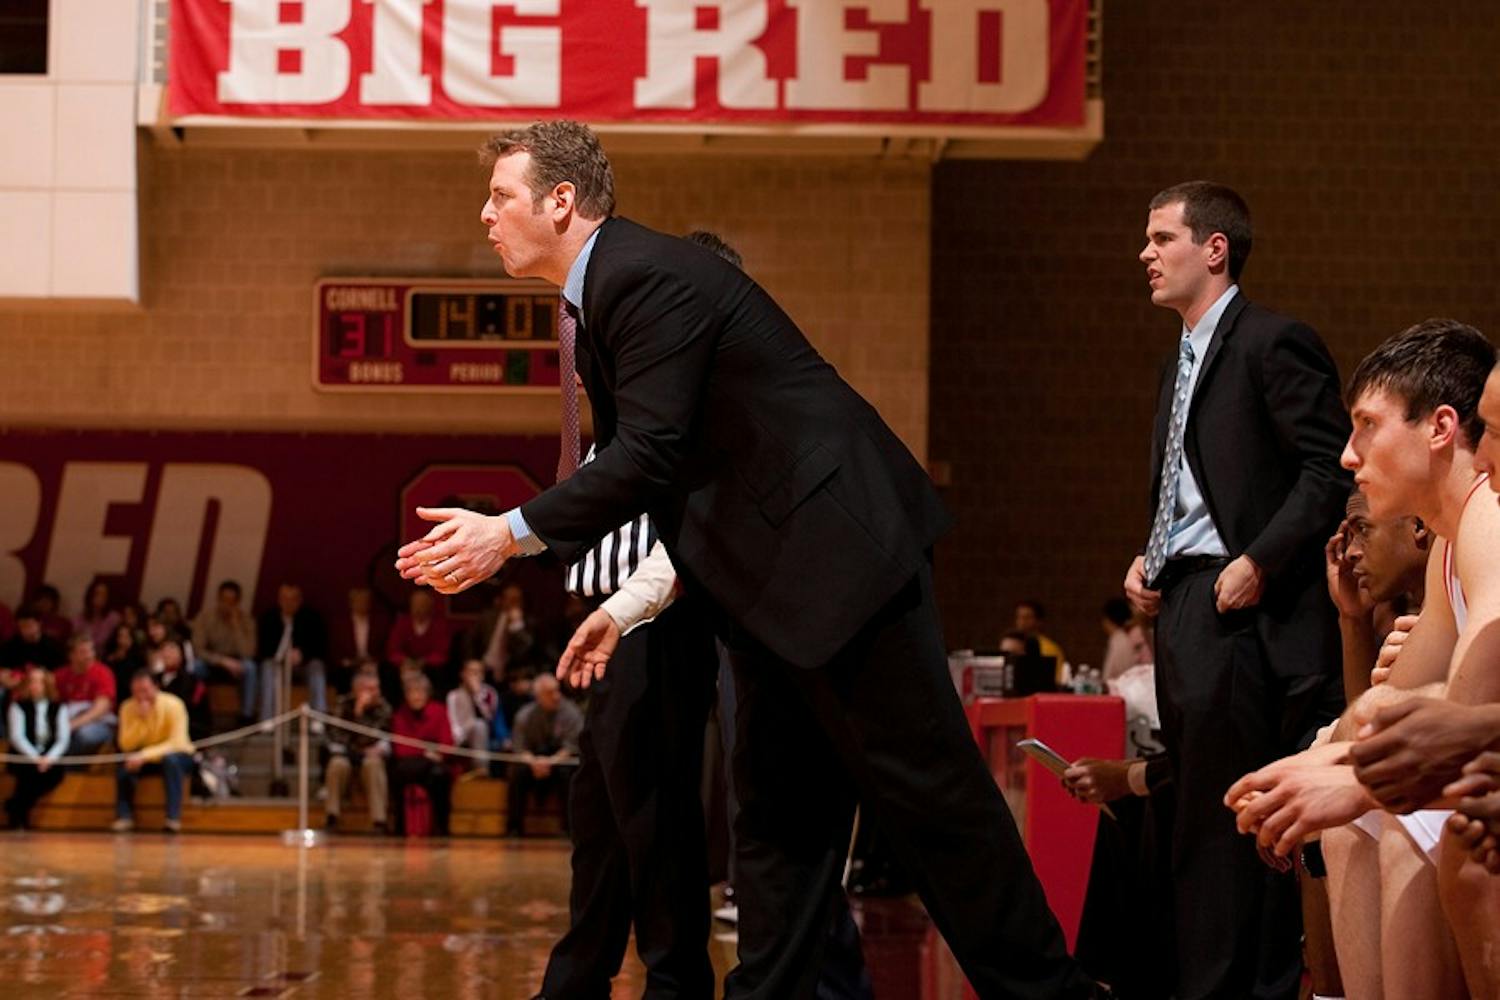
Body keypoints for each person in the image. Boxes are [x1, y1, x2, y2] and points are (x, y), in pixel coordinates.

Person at [396, 120, 1099, 998]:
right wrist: (618, 601)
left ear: (561, 201)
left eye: (501, 196)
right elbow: (666, 475)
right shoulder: (601, 293)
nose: (486, 214)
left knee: (937, 807)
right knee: (774, 826)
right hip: (768, 593)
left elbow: (647, 454)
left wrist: (508, 533)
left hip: (844, 568)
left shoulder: (642, 277)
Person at [1121, 181, 1350, 999]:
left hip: (1247, 611)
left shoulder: (1271, 341)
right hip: (1185, 602)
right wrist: (1149, 557)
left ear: (1213, 248)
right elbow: (1186, 489)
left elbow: (1329, 466)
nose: (1145, 254)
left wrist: (1260, 559)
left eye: (1161, 238)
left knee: (1227, 825)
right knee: (1192, 817)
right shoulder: (1177, 358)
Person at [1227, 321, 1499, 998]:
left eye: (1366, 425)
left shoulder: (1485, 521)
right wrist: (1305, 768)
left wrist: (1350, 780)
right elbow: (1391, 713)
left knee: (1425, 823)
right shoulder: (1451, 541)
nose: (1348, 456)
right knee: (1347, 782)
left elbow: (1458, 731)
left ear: (1438, 428)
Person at [112, 668, 196, 833]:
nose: (141, 696)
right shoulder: (127, 707)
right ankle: (124, 816)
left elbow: (177, 742)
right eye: (136, 692)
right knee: (124, 768)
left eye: (145, 691)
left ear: (156, 687)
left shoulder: (174, 704)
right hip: (144, 756)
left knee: (171, 760)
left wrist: (145, 755)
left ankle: (173, 818)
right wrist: (140, 720)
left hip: (178, 755)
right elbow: (125, 744)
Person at [507, 673, 582, 838]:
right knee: (517, 773)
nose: (556, 696)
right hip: (533, 762)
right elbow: (520, 748)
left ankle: (569, 828)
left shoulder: (572, 713)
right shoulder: (524, 715)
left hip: (560, 761)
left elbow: (571, 747)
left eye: (557, 691)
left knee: (569, 775)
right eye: (550, 693)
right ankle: (514, 827)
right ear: (538, 696)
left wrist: (550, 762)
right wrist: (535, 762)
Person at [324, 669, 392, 834]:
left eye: (377, 688)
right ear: (358, 690)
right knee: (336, 765)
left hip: (371, 756)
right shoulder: (342, 704)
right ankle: (332, 817)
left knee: (373, 765)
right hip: (347, 755)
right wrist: (357, 712)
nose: (376, 693)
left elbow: (374, 736)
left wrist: (360, 716)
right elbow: (337, 736)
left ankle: (379, 821)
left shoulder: (383, 707)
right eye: (371, 689)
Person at [388, 672, 453, 837]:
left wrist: (433, 754)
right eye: (412, 692)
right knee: (398, 773)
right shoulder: (399, 715)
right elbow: (400, 749)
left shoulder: (439, 711)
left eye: (420, 692)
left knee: (440, 775)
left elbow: (447, 742)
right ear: (406, 695)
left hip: (432, 766)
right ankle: (400, 826)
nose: (416, 696)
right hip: (409, 765)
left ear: (427, 693)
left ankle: (441, 826)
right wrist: (426, 752)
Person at [5, 666, 70, 829]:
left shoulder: (59, 707)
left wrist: (49, 758)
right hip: (25, 756)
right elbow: (17, 737)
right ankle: (19, 815)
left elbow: (63, 738)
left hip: (50, 757)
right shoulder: (18, 706)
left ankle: (15, 807)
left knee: (50, 775)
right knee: (27, 774)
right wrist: (35, 758)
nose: (35, 685)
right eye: (32, 681)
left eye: (39, 682)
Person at [191, 580, 261, 725]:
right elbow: (198, 649)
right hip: (213, 662)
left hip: (237, 664)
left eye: (231, 601)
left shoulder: (246, 620)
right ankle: (197, 712)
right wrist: (222, 661)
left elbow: (248, 653)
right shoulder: (205, 617)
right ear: (218, 598)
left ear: (238, 602)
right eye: (224, 600)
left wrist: (236, 626)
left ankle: (246, 716)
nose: (226, 605)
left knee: (250, 667)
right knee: (196, 666)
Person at [257, 583, 329, 718]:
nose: (288, 603)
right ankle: (267, 719)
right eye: (285, 599)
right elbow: (262, 648)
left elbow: (320, 647)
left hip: (303, 665)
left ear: (300, 600)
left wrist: (302, 654)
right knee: (267, 667)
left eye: (293, 599)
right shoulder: (269, 618)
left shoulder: (312, 618)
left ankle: (318, 718)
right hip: (277, 664)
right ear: (279, 600)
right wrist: (282, 655)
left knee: (317, 667)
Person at [467, 582, 544, 680]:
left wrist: (516, 626)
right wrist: (473, 661)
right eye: (509, 598)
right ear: (501, 600)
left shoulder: (529, 622)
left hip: (514, 675)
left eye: (516, 599)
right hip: (485, 668)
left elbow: (524, 651)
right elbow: (471, 641)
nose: (512, 602)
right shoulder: (488, 617)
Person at [55, 634, 117, 755]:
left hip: (99, 723)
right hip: (68, 720)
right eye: (83, 652)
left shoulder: (103, 673)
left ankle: (70, 767)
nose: (89, 655)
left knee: (85, 735)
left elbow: (100, 709)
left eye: (91, 650)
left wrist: (71, 725)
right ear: (71, 655)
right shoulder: (60, 675)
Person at [329, 586, 389, 697]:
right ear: (351, 603)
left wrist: (373, 661)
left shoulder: (379, 622)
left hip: (372, 662)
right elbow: (334, 649)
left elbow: (385, 646)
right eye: (359, 601)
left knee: (387, 672)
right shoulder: (340, 624)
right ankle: (345, 706)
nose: (363, 604)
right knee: (341, 674)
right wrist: (349, 662)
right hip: (349, 664)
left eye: (365, 601)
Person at [385, 589, 451, 688]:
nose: (418, 608)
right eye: (415, 604)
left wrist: (424, 662)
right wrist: (405, 661)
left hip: (430, 668)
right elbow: (393, 649)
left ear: (430, 607)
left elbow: (441, 652)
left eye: (422, 605)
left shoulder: (439, 625)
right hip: (405, 664)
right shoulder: (402, 623)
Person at [446, 659, 505, 769]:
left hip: (483, 734)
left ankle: (481, 769)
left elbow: (490, 718)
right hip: (461, 735)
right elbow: (453, 721)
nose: (474, 675)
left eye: (478, 672)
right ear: (463, 674)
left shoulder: (489, 693)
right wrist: (457, 740)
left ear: (483, 675)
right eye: (471, 671)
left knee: (479, 725)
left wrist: (477, 695)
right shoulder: (453, 695)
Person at [1013, 599, 1066, 672]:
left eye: (1027, 618)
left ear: (1039, 621)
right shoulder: (1012, 644)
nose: (1021, 622)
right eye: (1019, 617)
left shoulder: (1049, 648)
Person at [103, 623, 146, 706]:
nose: (123, 640)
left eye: (127, 637)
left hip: (132, 694)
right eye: (121, 636)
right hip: (114, 693)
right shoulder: (109, 657)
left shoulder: (139, 657)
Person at [72, 578, 121, 651]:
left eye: (104, 595)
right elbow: (75, 640)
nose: (100, 598)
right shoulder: (80, 618)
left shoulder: (113, 618)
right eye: (97, 593)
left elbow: (104, 642)